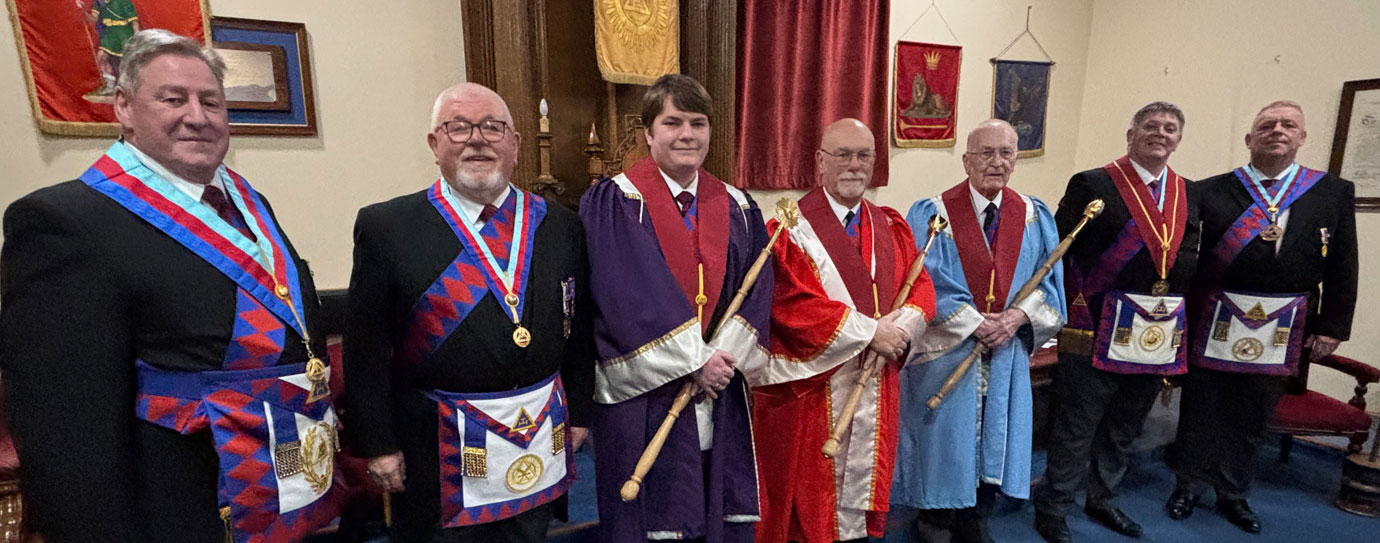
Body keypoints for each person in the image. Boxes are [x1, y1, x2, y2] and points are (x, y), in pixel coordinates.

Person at [0, 29, 340, 543]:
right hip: (180, 502)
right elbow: (63, 427)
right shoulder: (62, 221)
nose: (197, 117)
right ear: (124, 107)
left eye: (212, 102)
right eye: (173, 99)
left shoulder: (247, 203)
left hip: (279, 487)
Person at [343, 82, 594, 542]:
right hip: (433, 451)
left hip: (533, 438)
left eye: (493, 128)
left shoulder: (561, 224)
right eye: (458, 128)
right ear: (434, 144)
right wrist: (379, 445)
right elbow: (366, 350)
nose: (477, 139)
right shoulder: (387, 227)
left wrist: (579, 413)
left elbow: (578, 331)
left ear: (515, 145)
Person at [581, 74, 771, 543]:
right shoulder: (617, 201)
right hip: (645, 391)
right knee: (648, 513)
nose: (687, 134)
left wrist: (721, 359)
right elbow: (626, 291)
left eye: (698, 123)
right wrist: (695, 359)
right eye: (672, 122)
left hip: (718, 387)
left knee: (714, 501)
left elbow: (758, 288)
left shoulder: (739, 206)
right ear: (648, 132)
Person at [1165, 100, 1357, 534]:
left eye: (1288, 125)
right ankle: (1188, 485)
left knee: (1253, 412)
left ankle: (1233, 492)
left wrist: (1333, 326)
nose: (1277, 130)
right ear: (1249, 139)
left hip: (1286, 322)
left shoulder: (1331, 193)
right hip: (1216, 314)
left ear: (1302, 137)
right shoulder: (1210, 190)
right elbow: (1189, 259)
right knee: (1202, 407)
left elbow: (1345, 264)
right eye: (1266, 125)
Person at [751, 118, 936, 543]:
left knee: (861, 495)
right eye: (843, 155)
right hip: (815, 386)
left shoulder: (890, 225)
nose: (854, 165)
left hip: (876, 376)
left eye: (864, 155)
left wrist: (899, 330)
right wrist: (870, 333)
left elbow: (920, 285)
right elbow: (790, 302)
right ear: (819, 161)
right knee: (808, 499)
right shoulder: (788, 228)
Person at [1033, 102, 1200, 543]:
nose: (1159, 134)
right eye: (1150, 126)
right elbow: (1058, 251)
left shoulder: (1188, 193)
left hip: (1154, 332)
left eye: (1169, 129)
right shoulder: (1093, 182)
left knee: (1126, 422)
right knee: (1077, 424)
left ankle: (1102, 497)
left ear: (1179, 140)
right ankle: (1054, 506)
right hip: (1095, 326)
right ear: (1130, 134)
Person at [894, 119, 1066, 543]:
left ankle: (977, 516)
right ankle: (934, 518)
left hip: (1005, 350)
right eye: (986, 153)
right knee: (944, 435)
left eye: (1006, 153)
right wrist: (975, 323)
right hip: (948, 352)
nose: (996, 162)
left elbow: (1051, 284)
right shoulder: (931, 212)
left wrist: (1016, 319)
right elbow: (921, 279)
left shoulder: (1034, 216)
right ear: (966, 159)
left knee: (996, 429)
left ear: (1015, 160)